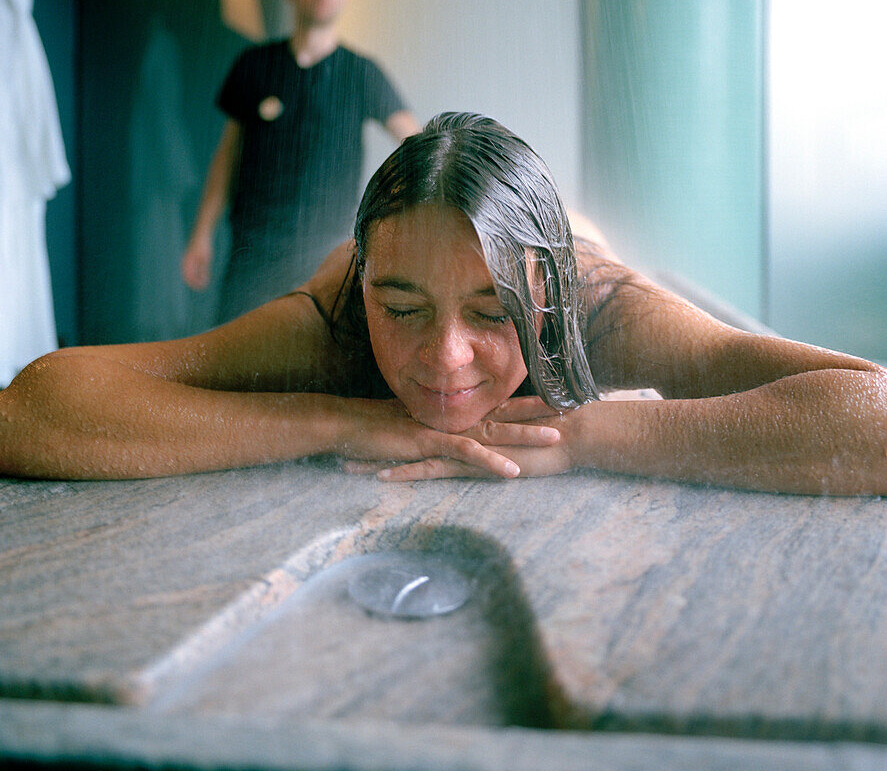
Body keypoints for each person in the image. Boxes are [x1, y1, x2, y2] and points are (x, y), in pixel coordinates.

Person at [3, 112, 887, 494]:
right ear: (368, 289)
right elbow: (30, 410)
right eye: (405, 311)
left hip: (575, 242)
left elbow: (873, 414)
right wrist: (333, 421)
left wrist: (582, 435)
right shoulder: (336, 315)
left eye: (493, 315)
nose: (445, 359)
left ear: (540, 306)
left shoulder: (597, 305)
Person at [181, 0, 420, 322]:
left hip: (330, 257)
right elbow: (228, 154)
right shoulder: (254, 65)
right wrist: (201, 235)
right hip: (252, 252)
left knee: (320, 366)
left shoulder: (361, 73)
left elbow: (417, 147)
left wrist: (399, 230)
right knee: (236, 362)